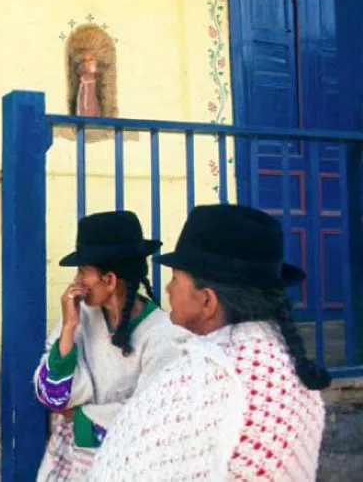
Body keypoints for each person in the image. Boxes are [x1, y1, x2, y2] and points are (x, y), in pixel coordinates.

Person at [85, 204, 329, 481]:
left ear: (207, 301)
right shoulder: (289, 362)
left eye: (176, 279)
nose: (167, 288)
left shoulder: (199, 378)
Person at [34, 211, 188, 480]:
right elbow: (51, 396)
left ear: (110, 280)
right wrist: (69, 328)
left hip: (130, 467)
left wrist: (81, 418)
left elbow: (154, 415)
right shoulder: (79, 318)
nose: (77, 280)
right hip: (70, 464)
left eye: (83, 271)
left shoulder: (164, 335)